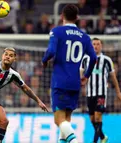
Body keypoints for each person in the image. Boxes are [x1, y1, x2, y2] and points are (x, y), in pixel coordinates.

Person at [42, 4, 97, 143]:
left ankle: (74, 141)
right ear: (77, 17)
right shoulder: (84, 37)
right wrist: (87, 75)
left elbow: (51, 51)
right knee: (66, 119)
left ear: (62, 16)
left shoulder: (57, 31)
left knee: (58, 120)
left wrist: (44, 61)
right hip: (75, 82)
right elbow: (94, 58)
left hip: (60, 81)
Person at [80, 38, 121, 143]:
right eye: (94, 44)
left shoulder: (107, 60)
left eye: (98, 44)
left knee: (98, 117)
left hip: (101, 93)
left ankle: (94, 141)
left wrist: (118, 92)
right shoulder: (85, 59)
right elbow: (80, 73)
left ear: (101, 46)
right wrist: (81, 83)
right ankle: (103, 137)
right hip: (89, 93)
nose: (96, 46)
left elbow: (113, 77)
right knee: (92, 119)